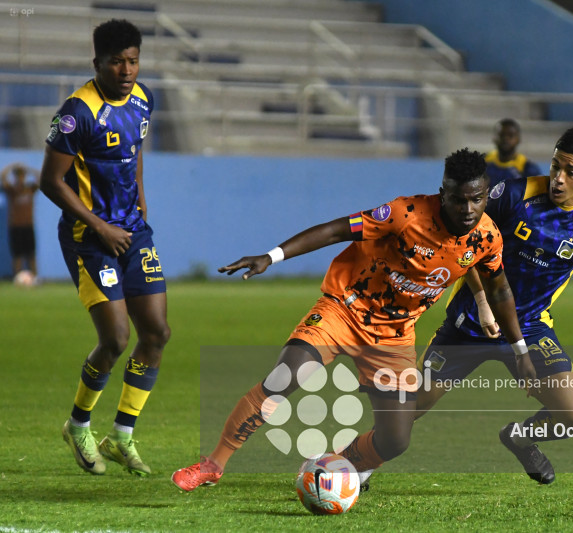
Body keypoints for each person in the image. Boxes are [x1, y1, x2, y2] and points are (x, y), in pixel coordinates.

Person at [171, 148, 537, 492]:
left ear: (487, 194)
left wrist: (519, 348)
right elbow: (335, 230)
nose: (468, 208)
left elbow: (500, 289)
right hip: (344, 308)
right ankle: (213, 465)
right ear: (443, 193)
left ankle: (335, 465)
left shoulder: (487, 237)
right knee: (284, 376)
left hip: (393, 337)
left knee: (395, 440)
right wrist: (272, 256)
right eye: (459, 199)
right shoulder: (405, 214)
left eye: (478, 199)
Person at [362, 126, 573, 487]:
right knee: (411, 408)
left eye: (570, 172)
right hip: (469, 323)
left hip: (529, 327)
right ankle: (360, 463)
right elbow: (465, 244)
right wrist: (482, 302)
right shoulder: (514, 195)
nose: (557, 179)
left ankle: (521, 437)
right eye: (555, 165)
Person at [40, 19, 170, 477]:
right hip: (89, 239)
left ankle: (122, 436)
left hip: (133, 232)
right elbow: (49, 181)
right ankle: (78, 425)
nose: (127, 69)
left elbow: (133, 152)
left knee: (155, 334)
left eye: (133, 60)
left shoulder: (144, 100)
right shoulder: (77, 112)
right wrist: (99, 225)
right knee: (115, 339)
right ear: (97, 63)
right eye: (117, 61)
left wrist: (141, 197)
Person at [1, 163, 40, 279]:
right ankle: (17, 278)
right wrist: (12, 166)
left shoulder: (29, 189)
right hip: (15, 226)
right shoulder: (12, 190)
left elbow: (40, 178)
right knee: (17, 255)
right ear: (15, 177)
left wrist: (28, 168)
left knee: (31, 254)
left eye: (22, 175)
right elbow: (2, 177)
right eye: (18, 175)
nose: (20, 178)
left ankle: (35, 278)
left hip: (28, 226)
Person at [484, 118, 542, 186]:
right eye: (501, 135)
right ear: (494, 138)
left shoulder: (527, 168)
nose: (506, 138)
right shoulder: (483, 162)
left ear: (518, 139)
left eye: (510, 135)